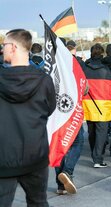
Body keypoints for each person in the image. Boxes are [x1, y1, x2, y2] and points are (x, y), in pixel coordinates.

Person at [0, 29, 56, 206]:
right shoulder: (44, 80)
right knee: (39, 202)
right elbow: (49, 109)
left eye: (5, 45)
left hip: (4, 157)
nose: (2, 49)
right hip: (35, 155)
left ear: (14, 47)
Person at [55, 40, 89, 195]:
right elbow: (85, 88)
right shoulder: (74, 65)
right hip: (73, 112)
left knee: (60, 147)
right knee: (77, 142)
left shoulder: (52, 66)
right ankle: (67, 172)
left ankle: (60, 186)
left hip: (56, 114)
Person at [84, 43, 111, 168]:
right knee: (101, 133)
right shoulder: (105, 70)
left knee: (91, 131)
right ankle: (97, 159)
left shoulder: (84, 68)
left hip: (88, 104)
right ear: (102, 54)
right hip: (102, 106)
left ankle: (95, 154)